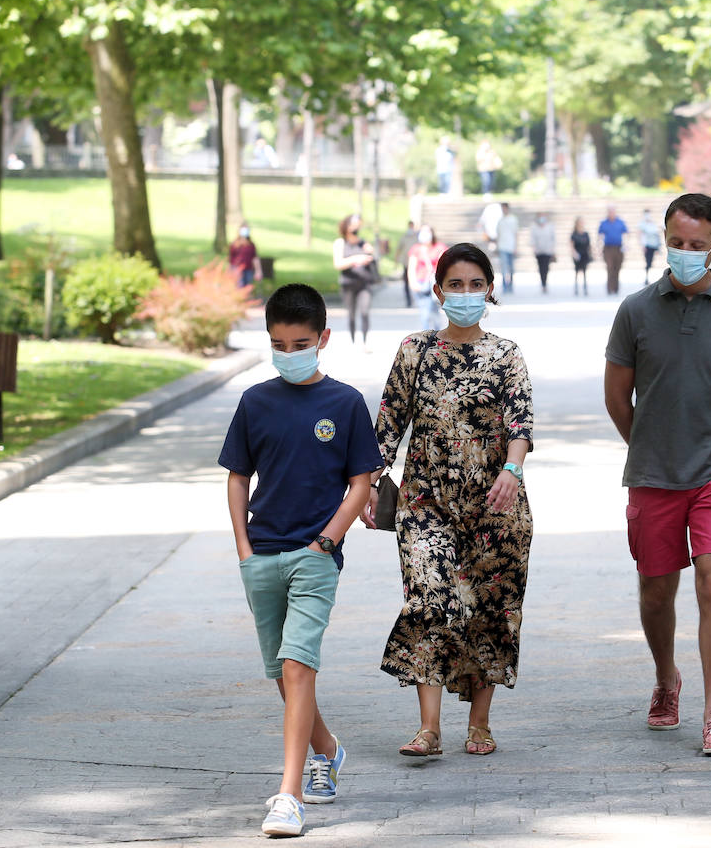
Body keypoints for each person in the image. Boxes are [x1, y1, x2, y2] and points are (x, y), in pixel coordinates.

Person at [602, 193, 711, 756]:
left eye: (698, 246)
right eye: (677, 243)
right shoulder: (635, 311)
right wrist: (652, 445)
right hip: (653, 473)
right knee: (655, 590)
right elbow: (616, 396)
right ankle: (665, 678)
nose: (686, 253)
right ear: (663, 240)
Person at [219, 283, 385, 837]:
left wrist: (327, 544)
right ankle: (328, 748)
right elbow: (238, 477)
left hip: (316, 556)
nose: (289, 353)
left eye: (300, 342)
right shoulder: (254, 402)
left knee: (297, 665)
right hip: (261, 554)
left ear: (324, 339)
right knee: (282, 675)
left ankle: (289, 796)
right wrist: (243, 548)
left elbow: (361, 484)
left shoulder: (344, 403)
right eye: (279, 344)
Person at [364, 243, 534, 759]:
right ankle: (429, 728)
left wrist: (512, 468)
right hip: (425, 503)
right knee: (432, 600)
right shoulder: (416, 350)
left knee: (490, 608)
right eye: (455, 285)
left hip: (496, 508)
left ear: (490, 290)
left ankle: (479, 724)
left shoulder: (506, 354)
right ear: (438, 292)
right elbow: (388, 422)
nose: (465, 294)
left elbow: (521, 425)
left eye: (475, 284)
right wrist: (372, 482)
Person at [333, 214, 379, 351]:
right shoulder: (340, 243)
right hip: (348, 284)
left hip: (364, 283)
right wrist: (356, 259)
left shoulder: (363, 243)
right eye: (353, 225)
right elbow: (338, 264)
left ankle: (365, 341)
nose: (355, 228)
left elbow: (374, 261)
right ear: (346, 226)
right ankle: (353, 341)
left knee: (365, 311)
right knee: (351, 314)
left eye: (357, 225)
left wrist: (371, 254)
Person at [406, 224, 446, 331]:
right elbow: (411, 267)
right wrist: (412, 283)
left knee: (434, 309)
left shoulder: (439, 247)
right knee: (425, 309)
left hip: (434, 283)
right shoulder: (416, 249)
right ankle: (427, 333)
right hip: (420, 282)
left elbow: (445, 264)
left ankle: (436, 333)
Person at [598, 206, 629, 295]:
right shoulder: (604, 223)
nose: (611, 214)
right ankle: (610, 288)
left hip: (619, 248)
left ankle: (616, 288)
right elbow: (600, 236)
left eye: (613, 212)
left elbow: (625, 234)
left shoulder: (620, 222)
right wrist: (599, 248)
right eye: (610, 212)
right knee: (610, 268)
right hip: (608, 248)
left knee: (617, 268)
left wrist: (626, 245)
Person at [229, 222, 262, 288]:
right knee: (239, 288)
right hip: (237, 269)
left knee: (247, 288)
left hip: (248, 270)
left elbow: (255, 258)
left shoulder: (251, 245)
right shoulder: (235, 244)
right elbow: (231, 259)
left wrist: (258, 271)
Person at [495, 203, 519, 293]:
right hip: (502, 246)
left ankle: (511, 285)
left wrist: (516, 246)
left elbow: (516, 233)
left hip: (511, 246)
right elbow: (498, 234)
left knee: (511, 268)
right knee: (504, 268)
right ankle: (505, 286)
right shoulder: (500, 220)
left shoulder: (513, 219)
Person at [396, 220, 420, 308]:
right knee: (406, 282)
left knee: (416, 281)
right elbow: (399, 249)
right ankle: (408, 299)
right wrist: (396, 260)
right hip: (406, 262)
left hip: (417, 264)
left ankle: (417, 298)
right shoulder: (404, 237)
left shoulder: (417, 236)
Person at [530, 212, 555, 293]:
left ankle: (545, 282)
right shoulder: (534, 227)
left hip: (547, 251)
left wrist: (553, 249)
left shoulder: (550, 226)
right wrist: (534, 248)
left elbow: (553, 238)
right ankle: (543, 283)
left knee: (546, 267)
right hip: (539, 251)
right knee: (541, 268)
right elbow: (532, 238)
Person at [570, 216, 593, 296]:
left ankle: (585, 287)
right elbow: (571, 246)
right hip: (577, 255)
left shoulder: (586, 234)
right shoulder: (574, 234)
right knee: (576, 271)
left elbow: (589, 245)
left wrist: (591, 253)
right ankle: (576, 288)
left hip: (585, 255)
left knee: (585, 271)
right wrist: (574, 254)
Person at [638, 209, 662, 284]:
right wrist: (643, 245)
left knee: (651, 262)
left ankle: (648, 277)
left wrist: (658, 246)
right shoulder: (642, 224)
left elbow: (656, 235)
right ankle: (646, 277)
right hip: (647, 245)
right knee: (648, 262)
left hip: (653, 245)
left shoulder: (652, 223)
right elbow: (640, 235)